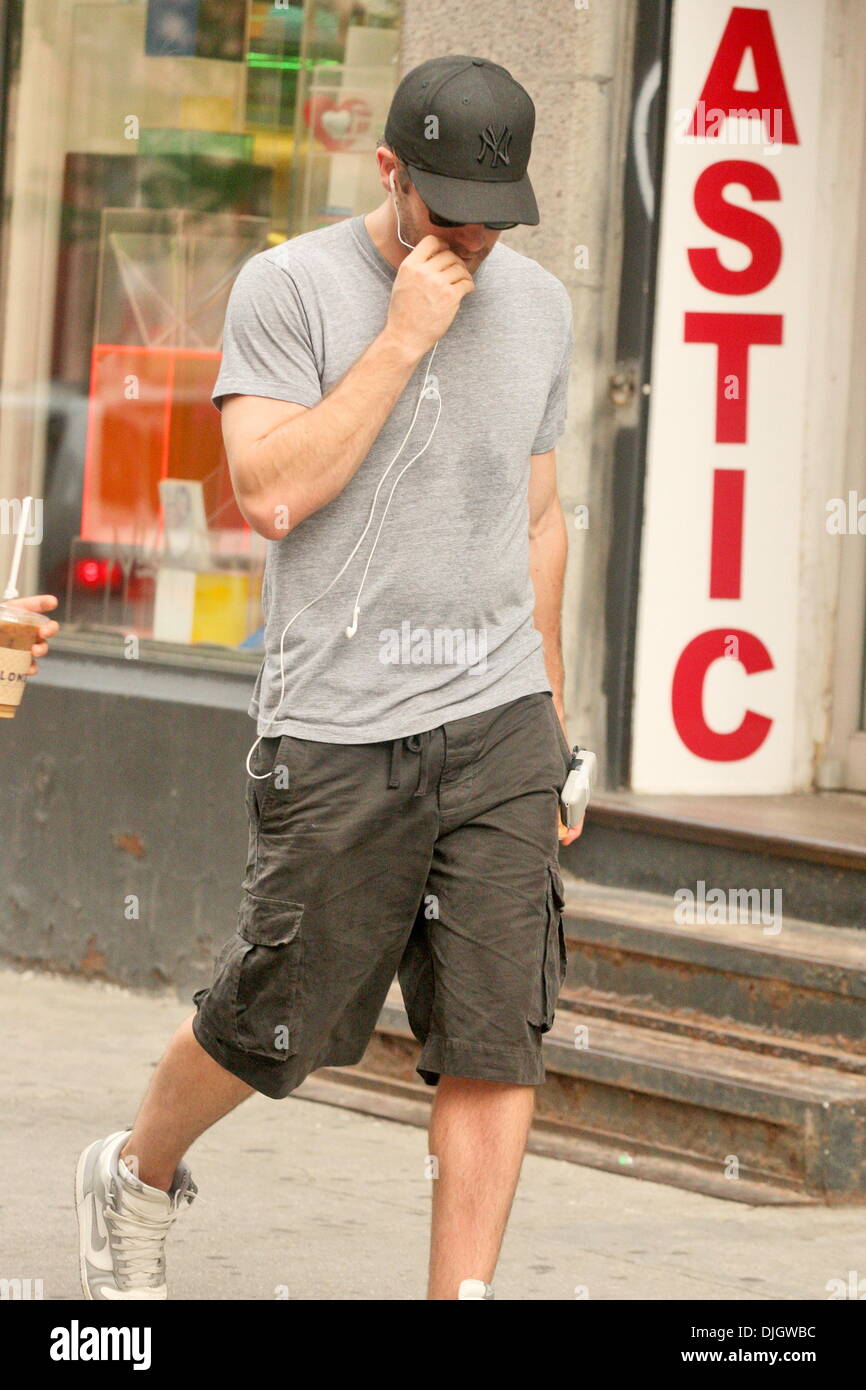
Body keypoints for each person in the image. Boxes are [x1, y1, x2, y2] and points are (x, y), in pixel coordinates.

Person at [76, 54, 582, 1302]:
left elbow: (539, 518)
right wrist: (404, 337)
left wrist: (558, 723)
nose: (466, 236)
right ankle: (138, 1171)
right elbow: (270, 491)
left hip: (500, 716)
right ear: (388, 172)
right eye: (443, 205)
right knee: (275, 1023)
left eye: (489, 213)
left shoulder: (540, 308)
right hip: (340, 727)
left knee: (494, 1034)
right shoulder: (288, 287)